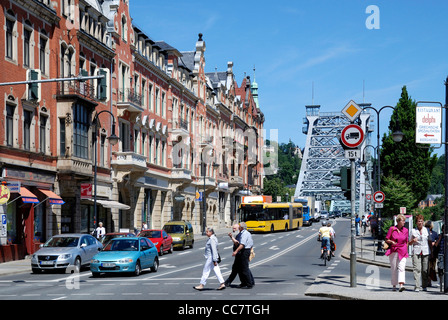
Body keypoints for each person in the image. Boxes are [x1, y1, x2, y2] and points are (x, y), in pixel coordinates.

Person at [384, 214, 409, 292]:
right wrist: (391, 241)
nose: (404, 222)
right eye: (403, 221)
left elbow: (406, 241)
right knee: (394, 269)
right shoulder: (392, 229)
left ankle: (401, 285)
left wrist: (406, 249)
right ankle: (394, 285)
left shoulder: (406, 230)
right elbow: (386, 239)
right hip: (393, 250)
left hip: (403, 251)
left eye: (405, 221)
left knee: (402, 267)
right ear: (398, 221)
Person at [409, 214, 430, 291]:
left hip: (425, 251)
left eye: (421, 221)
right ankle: (417, 286)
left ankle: (424, 285)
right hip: (416, 251)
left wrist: (432, 251)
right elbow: (409, 243)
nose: (420, 223)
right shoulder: (413, 231)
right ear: (416, 222)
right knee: (417, 269)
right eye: (418, 221)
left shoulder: (426, 230)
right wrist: (413, 241)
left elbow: (429, 241)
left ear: (423, 222)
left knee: (425, 270)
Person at [232, 222, 255, 289]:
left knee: (244, 268)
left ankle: (249, 284)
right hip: (245, 251)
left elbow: (242, 244)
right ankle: (244, 282)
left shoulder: (244, 234)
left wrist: (236, 251)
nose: (238, 228)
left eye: (239, 227)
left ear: (241, 228)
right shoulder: (244, 233)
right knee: (241, 268)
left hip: (245, 251)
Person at [425, 220, 438, 285]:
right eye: (426, 226)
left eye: (429, 226)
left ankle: (429, 281)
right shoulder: (424, 232)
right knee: (425, 267)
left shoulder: (434, 233)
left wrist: (434, 243)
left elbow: (437, 241)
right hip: (426, 251)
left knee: (432, 267)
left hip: (433, 252)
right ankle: (427, 281)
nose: (428, 228)